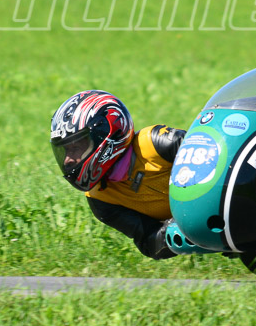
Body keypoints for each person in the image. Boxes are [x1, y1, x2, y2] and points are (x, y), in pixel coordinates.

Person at [50, 90, 186, 260]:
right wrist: (177, 231)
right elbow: (149, 242)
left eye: (76, 147)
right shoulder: (100, 199)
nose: (68, 160)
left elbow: (211, 154)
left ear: (105, 135)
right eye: (66, 150)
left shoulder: (154, 142)